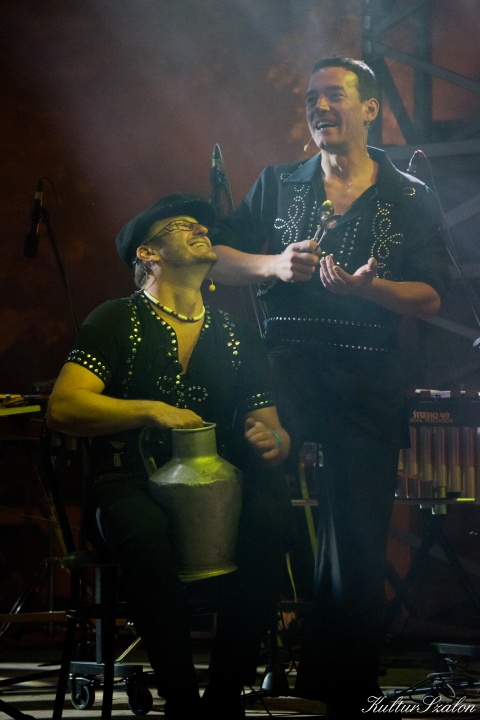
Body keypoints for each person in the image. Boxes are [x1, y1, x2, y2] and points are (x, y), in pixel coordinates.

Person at [209, 57, 451, 718]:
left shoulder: (409, 194)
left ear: (370, 109)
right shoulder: (277, 183)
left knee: (358, 538)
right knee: (259, 517)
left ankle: (340, 688)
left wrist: (373, 289)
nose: (320, 107)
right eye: (312, 98)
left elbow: (432, 296)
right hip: (284, 372)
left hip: (369, 376)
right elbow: (214, 259)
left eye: (334, 96)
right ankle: (228, 679)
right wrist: (273, 263)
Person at [46, 192, 293, 720]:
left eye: (202, 225)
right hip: (128, 482)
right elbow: (64, 406)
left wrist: (275, 442)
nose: (201, 229)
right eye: (183, 226)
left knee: (272, 517)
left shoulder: (236, 333)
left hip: (217, 482)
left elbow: (271, 426)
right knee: (145, 529)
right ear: (148, 254)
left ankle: (225, 696)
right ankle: (181, 701)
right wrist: (151, 411)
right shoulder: (115, 319)